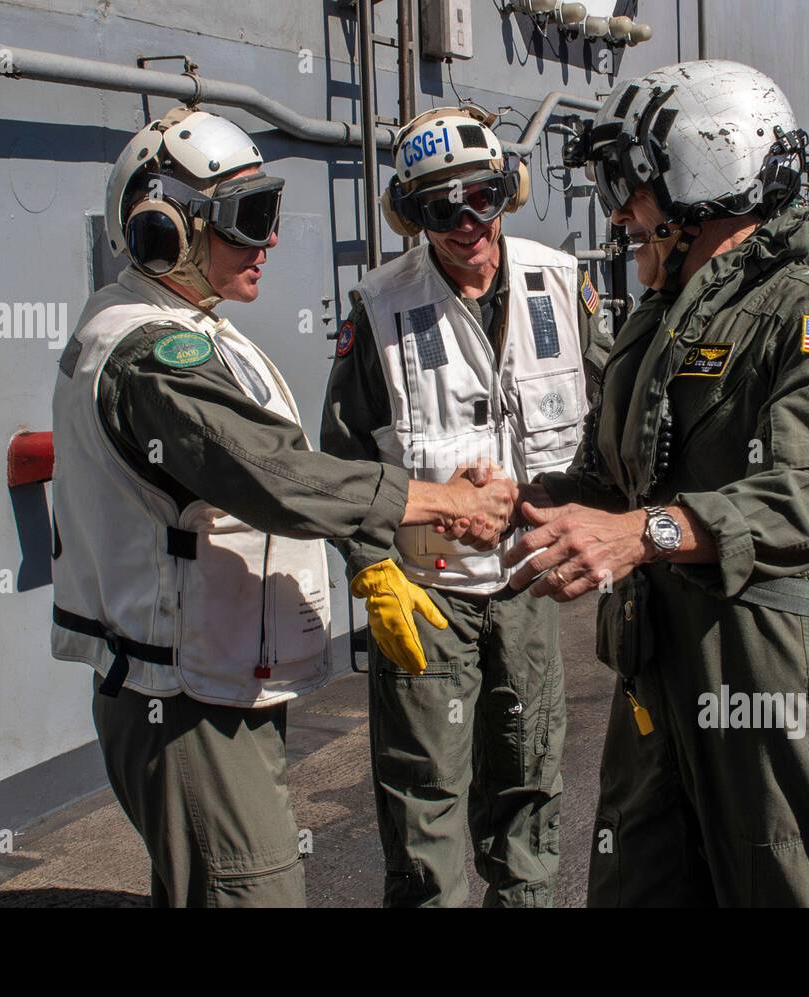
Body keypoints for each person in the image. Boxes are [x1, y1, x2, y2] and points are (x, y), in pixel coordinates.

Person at [49, 105, 514, 908]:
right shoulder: (153, 355)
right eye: (247, 219)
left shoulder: (176, 326)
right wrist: (433, 500)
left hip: (208, 683)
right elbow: (272, 474)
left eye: (270, 213)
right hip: (182, 700)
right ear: (168, 230)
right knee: (253, 891)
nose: (267, 241)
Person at [505, 62, 809, 907]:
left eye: (628, 181)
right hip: (657, 668)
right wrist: (519, 502)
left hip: (765, 670)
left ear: (698, 176)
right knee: (635, 886)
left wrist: (640, 535)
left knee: (786, 883)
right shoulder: (657, 317)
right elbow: (611, 479)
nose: (618, 210)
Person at [320, 105, 607, 907]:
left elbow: (614, 420)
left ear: (508, 191)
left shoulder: (561, 281)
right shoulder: (379, 306)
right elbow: (342, 461)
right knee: (425, 799)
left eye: (480, 197)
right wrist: (372, 567)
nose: (465, 224)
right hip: (426, 589)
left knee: (529, 777)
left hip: (525, 584)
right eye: (439, 209)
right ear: (411, 216)